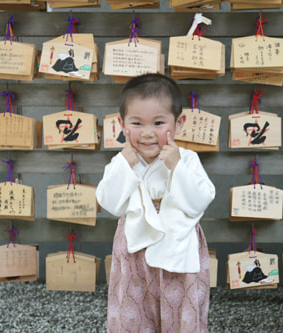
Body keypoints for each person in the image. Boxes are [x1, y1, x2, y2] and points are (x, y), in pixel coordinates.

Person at [96, 73, 215, 332]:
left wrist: (177, 168)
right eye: (137, 123)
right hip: (133, 248)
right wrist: (125, 167)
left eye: (159, 122)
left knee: (180, 305)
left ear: (179, 122)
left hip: (178, 244)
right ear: (122, 124)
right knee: (134, 307)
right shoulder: (122, 161)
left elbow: (200, 201)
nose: (147, 134)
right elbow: (109, 202)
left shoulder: (186, 159)